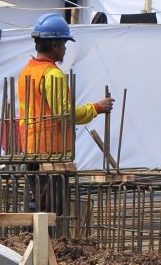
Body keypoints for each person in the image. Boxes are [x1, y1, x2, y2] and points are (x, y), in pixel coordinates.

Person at [18, 12, 113, 215]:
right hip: (50, 152)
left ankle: (32, 242)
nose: (65, 50)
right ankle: (44, 245)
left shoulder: (28, 70)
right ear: (54, 46)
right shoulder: (52, 74)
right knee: (49, 209)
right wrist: (96, 108)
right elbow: (64, 114)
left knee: (37, 205)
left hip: (31, 148)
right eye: (64, 45)